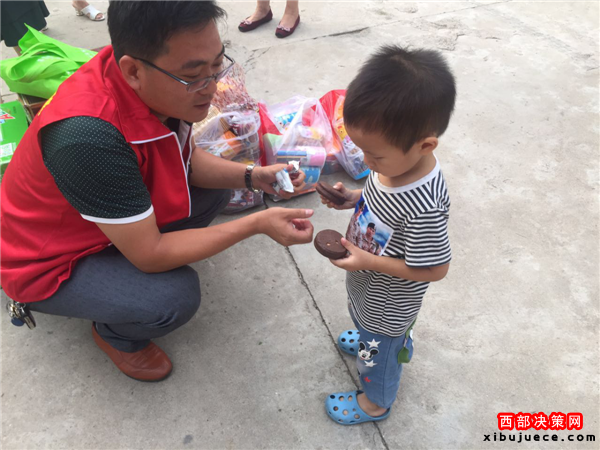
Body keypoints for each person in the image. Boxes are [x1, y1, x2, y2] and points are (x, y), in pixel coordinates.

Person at [0, 1, 314, 383]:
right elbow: (151, 255)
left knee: (219, 191)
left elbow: (185, 157)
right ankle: (115, 335)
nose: (212, 87)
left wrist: (253, 176)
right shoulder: (88, 137)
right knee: (172, 298)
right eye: (194, 75)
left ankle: (125, 251)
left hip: (98, 218)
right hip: (46, 261)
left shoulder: (156, 83)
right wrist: (257, 224)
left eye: (217, 65)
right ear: (133, 70)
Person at [318, 45, 455, 424]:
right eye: (362, 150)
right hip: (369, 289)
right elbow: (383, 200)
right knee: (366, 328)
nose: (367, 162)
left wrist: (368, 261)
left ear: (425, 145)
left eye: (375, 156)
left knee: (376, 360)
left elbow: (436, 269)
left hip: (388, 307)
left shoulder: (425, 205)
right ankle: (374, 338)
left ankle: (376, 402)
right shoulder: (393, 166)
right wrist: (354, 198)